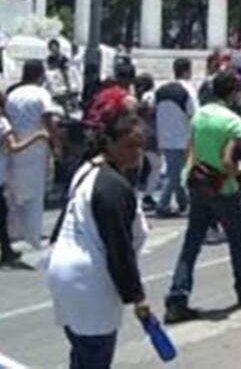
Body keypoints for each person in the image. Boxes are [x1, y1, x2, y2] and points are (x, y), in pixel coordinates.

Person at [47, 105, 152, 369]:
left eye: (141, 146)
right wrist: (137, 297)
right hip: (89, 283)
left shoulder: (87, 170)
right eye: (130, 145)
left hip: (64, 275)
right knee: (94, 359)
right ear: (111, 143)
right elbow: (119, 248)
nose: (137, 153)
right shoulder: (113, 187)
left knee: (82, 356)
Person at [164, 70, 241, 323]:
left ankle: (178, 296)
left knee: (191, 244)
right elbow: (229, 161)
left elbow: (191, 150)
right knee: (236, 240)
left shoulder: (199, 116)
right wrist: (239, 172)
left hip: (198, 185)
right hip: (224, 188)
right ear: (232, 93)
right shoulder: (233, 122)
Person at [4, 60, 62, 251]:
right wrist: (57, 144)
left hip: (14, 146)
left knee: (13, 193)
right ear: (40, 75)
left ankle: (13, 233)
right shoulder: (41, 93)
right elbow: (47, 119)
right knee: (35, 195)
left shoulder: (13, 94)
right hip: (36, 146)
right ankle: (33, 237)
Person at [0, 90, 50, 264]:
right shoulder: (3, 123)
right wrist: (37, 136)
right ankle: (6, 250)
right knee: (2, 213)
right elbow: (14, 147)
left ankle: (6, 249)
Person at [155, 58, 197, 217]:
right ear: (187, 71)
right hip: (182, 137)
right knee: (175, 175)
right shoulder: (188, 90)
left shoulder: (161, 90)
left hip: (164, 136)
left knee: (175, 172)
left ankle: (183, 202)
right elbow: (194, 114)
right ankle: (163, 204)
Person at [133, 73, 160, 213]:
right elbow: (148, 108)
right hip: (150, 135)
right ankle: (147, 196)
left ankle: (140, 196)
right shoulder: (149, 96)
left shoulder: (136, 96)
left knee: (140, 166)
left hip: (140, 134)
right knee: (156, 166)